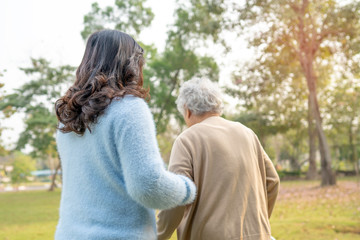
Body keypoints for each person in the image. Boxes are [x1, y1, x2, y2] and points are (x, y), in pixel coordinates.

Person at [54, 29, 196, 240]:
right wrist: (188, 189)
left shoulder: (67, 117)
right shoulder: (129, 108)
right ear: (131, 64)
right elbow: (148, 186)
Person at [157, 79, 280, 240]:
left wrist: (156, 235)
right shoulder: (247, 133)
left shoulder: (187, 139)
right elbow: (272, 181)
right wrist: (257, 223)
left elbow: (177, 196)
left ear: (187, 111)